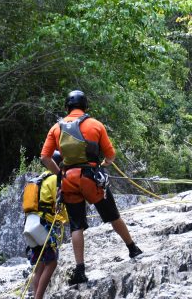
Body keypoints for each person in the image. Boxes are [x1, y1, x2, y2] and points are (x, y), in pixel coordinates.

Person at [40, 90, 143, 285]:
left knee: (76, 225)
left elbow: (45, 157)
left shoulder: (56, 128)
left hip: (69, 179)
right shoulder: (96, 125)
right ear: (85, 106)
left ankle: (80, 270)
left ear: (67, 108)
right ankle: (132, 248)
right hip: (92, 179)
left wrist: (59, 173)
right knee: (113, 215)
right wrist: (102, 165)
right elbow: (111, 155)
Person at [25, 151, 68, 299]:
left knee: (39, 265)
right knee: (52, 262)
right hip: (44, 226)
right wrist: (66, 219)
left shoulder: (39, 179)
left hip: (30, 224)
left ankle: (36, 296)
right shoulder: (56, 179)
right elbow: (60, 205)